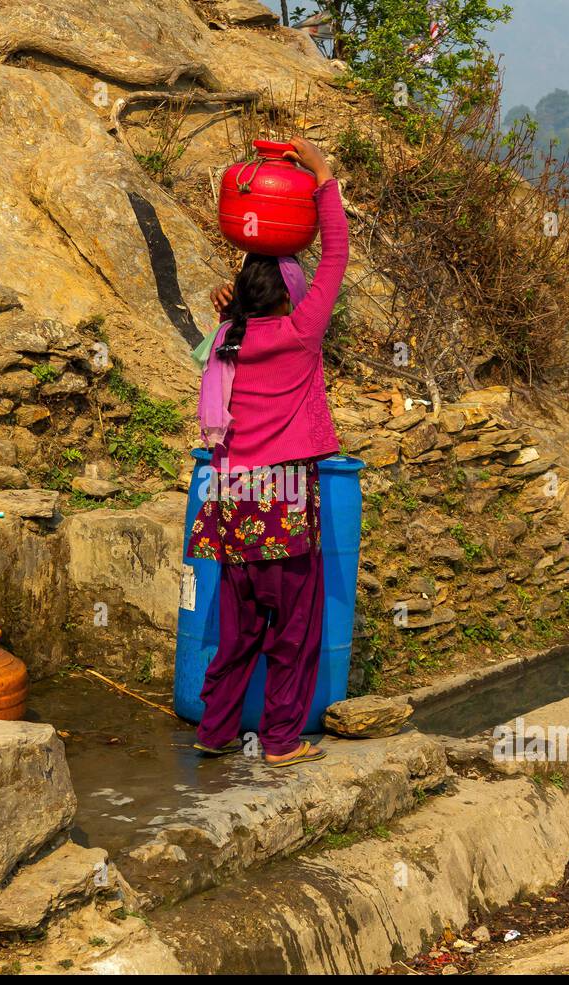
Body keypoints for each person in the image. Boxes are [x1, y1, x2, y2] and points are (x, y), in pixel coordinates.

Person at [185, 136, 347, 768]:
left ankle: (216, 729)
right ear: (290, 297)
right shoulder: (303, 334)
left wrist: (232, 303)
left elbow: (233, 315)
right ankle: (281, 741)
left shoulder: (227, 339)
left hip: (230, 503)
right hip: (279, 504)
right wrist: (324, 176)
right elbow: (335, 251)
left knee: (240, 627)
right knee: (295, 630)